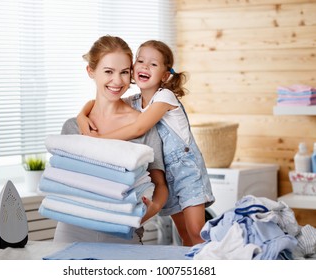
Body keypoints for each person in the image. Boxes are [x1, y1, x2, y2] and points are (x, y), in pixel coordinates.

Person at [77, 40, 215, 246]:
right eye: (140, 61)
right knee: (184, 235)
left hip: (187, 173)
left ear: (165, 75)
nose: (144, 66)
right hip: (165, 176)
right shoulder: (134, 101)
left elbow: (138, 128)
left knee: (197, 232)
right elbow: (97, 102)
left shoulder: (165, 97)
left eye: (153, 64)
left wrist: (98, 142)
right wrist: (82, 115)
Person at [53, 35, 168, 244]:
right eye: (108, 71)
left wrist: (153, 208)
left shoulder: (143, 125)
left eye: (124, 72)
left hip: (123, 229)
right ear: (90, 71)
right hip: (72, 230)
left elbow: (160, 183)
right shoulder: (73, 126)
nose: (117, 81)